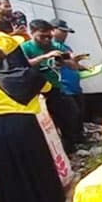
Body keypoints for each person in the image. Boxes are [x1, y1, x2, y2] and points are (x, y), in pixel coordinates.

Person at [0, 33, 64, 202]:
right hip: (24, 125)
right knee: (36, 169)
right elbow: (49, 88)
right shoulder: (31, 76)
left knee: (7, 173)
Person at [20, 19, 81, 152]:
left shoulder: (56, 46)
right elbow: (23, 65)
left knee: (71, 112)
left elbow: (73, 65)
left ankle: (69, 146)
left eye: (49, 36)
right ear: (32, 33)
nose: (46, 40)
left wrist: (68, 61)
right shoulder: (25, 47)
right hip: (35, 91)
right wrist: (45, 57)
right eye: (42, 36)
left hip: (55, 87)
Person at [51, 18, 89, 137]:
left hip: (75, 87)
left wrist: (83, 67)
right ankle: (72, 143)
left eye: (66, 32)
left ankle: (80, 139)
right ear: (53, 30)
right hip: (64, 88)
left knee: (79, 115)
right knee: (71, 116)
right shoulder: (53, 47)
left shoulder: (66, 47)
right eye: (62, 31)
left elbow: (72, 63)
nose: (65, 34)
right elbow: (64, 62)